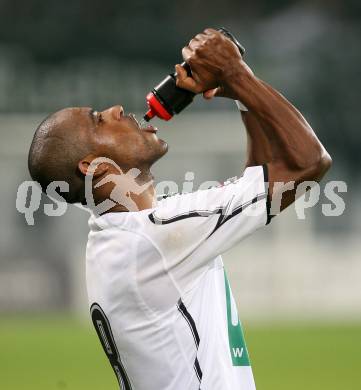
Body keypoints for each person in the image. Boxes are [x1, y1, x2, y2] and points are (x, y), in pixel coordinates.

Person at [27, 29, 331, 389]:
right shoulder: (155, 238)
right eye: (97, 120)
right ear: (97, 168)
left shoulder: (126, 237)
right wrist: (235, 74)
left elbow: (258, 177)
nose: (115, 109)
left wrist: (238, 91)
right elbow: (308, 163)